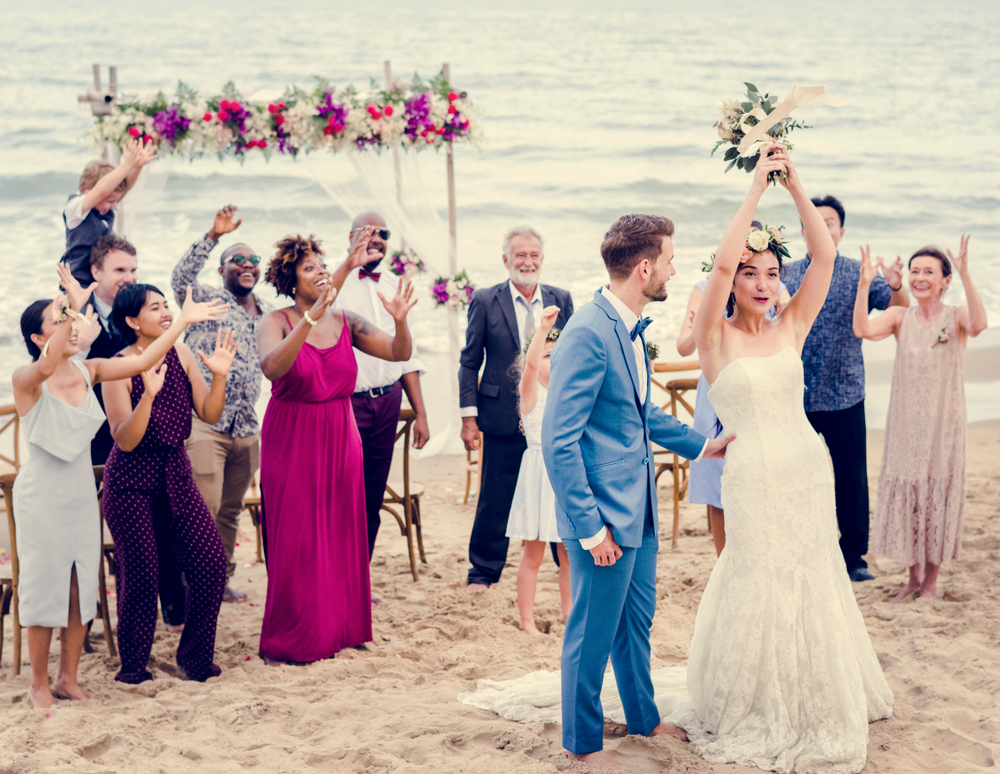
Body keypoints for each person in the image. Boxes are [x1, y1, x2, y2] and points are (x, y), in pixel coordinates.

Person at [686, 146, 893, 771]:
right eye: (750, 273)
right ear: (732, 282)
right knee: (757, 574)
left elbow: (824, 258)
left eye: (771, 273)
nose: (760, 283)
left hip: (806, 469)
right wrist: (755, 190)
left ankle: (815, 692)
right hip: (752, 476)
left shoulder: (791, 325)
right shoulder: (714, 338)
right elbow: (723, 261)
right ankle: (751, 698)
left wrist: (795, 186)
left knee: (811, 572)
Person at [541, 213, 733, 767]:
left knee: (634, 625)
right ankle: (581, 746)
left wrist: (703, 445)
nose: (674, 270)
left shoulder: (627, 325)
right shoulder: (587, 331)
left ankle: (644, 718)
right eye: (669, 261)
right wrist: (591, 528)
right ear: (644, 268)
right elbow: (559, 441)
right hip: (603, 517)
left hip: (639, 509)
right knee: (591, 634)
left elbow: (641, 412)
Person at [11, 264, 228, 707]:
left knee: (81, 587)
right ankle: (39, 684)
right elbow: (50, 363)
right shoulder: (25, 378)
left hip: (81, 492)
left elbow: (146, 361)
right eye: (60, 319)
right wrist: (73, 304)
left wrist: (183, 323)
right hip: (43, 496)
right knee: (46, 586)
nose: (73, 326)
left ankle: (67, 679)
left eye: (72, 319)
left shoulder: (89, 370)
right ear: (37, 336)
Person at [256, 235, 416, 664]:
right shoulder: (275, 321)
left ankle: (342, 629)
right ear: (291, 280)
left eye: (323, 265)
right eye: (309, 268)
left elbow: (398, 352)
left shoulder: (347, 320)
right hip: (292, 439)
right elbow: (273, 367)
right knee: (297, 541)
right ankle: (292, 638)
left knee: (343, 533)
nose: (321, 272)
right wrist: (309, 319)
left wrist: (401, 322)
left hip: (341, 436)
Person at [101, 283, 237, 684]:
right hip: (130, 483)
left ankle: (194, 660)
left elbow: (209, 413)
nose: (165, 312)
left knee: (211, 563)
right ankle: (133, 669)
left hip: (176, 473)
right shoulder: (118, 367)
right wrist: (148, 395)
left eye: (166, 306)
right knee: (142, 575)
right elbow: (125, 440)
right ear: (131, 321)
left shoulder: (181, 353)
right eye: (154, 308)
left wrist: (220, 376)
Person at [781, 195, 909, 582]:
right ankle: (800, 550)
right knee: (795, 479)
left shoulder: (858, 272)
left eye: (829, 223)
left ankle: (853, 558)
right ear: (803, 230)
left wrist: (897, 283)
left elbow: (899, 309)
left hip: (845, 392)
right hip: (795, 394)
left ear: (841, 231)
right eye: (814, 222)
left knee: (851, 479)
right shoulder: (784, 273)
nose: (821, 229)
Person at [853, 238, 987, 601]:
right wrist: (865, 284)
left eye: (929, 272)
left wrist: (966, 273)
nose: (920, 278)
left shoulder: (955, 316)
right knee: (910, 498)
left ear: (945, 281)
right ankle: (912, 578)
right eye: (915, 271)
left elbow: (979, 324)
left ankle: (930, 582)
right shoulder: (901, 317)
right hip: (906, 426)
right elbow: (862, 330)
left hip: (944, 427)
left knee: (937, 495)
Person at [459, 226, 574, 592]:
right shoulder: (485, 300)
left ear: (542, 259)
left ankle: (564, 565)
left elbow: (572, 358)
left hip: (550, 419)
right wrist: (468, 417)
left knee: (555, 494)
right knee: (494, 497)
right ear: (506, 259)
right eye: (520, 255)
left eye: (534, 255)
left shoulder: (561, 298)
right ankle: (483, 572)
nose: (527, 262)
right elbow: (469, 362)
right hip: (500, 416)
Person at [171, 204, 271, 603]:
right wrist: (214, 237)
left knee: (230, 511)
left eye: (253, 260)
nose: (247, 264)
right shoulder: (207, 300)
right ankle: (189, 584)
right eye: (237, 260)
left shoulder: (267, 313)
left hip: (246, 429)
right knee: (204, 508)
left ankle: (219, 579)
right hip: (205, 424)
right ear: (221, 270)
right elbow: (180, 278)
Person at [676, 224, 790, 556]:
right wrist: (700, 328)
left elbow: (784, 324)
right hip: (719, 390)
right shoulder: (705, 288)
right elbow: (683, 346)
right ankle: (723, 558)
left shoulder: (770, 286)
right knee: (718, 486)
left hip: (758, 388)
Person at [329, 212, 430, 559]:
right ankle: (334, 574)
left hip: (387, 402)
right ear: (351, 236)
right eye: (368, 232)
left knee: (371, 497)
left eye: (383, 234)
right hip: (345, 404)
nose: (376, 238)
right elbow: (315, 308)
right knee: (339, 495)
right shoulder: (332, 278)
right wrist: (348, 264)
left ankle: (360, 574)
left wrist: (421, 413)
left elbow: (407, 356)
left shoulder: (394, 284)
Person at [505, 305, 570, 634]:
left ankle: (570, 616)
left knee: (569, 554)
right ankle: (527, 620)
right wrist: (542, 331)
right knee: (533, 554)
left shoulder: (569, 394)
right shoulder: (531, 393)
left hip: (566, 476)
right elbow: (532, 364)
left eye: (558, 355)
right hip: (538, 476)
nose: (552, 360)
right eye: (547, 355)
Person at [62, 139, 156, 287]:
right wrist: (126, 166)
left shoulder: (105, 206)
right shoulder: (75, 209)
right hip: (78, 283)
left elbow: (124, 189)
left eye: (116, 201)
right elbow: (101, 190)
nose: (114, 205)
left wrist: (137, 167)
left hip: (102, 281)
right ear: (88, 193)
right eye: (110, 201)